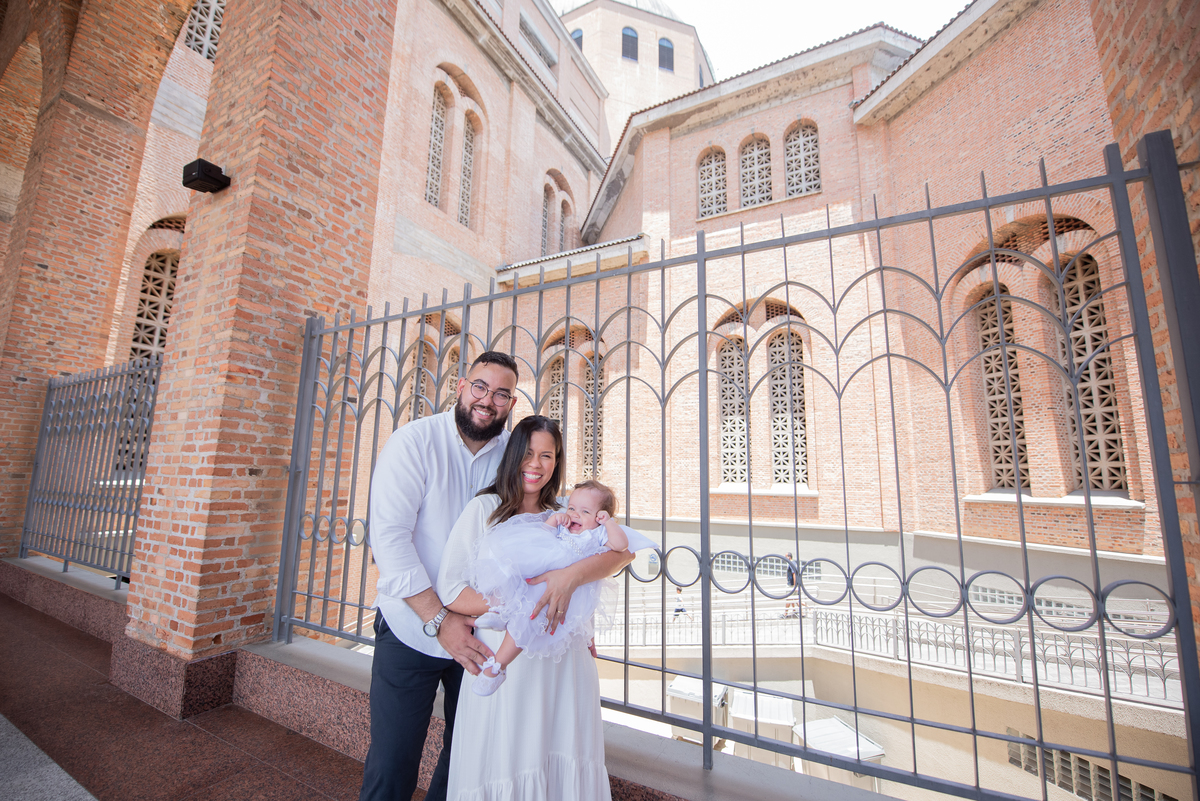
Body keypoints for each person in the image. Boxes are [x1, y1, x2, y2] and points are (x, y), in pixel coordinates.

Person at [437, 416, 644, 801]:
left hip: (562, 661)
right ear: (513, 454)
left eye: (546, 456)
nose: (536, 464)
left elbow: (622, 554)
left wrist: (570, 577)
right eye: (528, 453)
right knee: (506, 759)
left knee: (557, 755)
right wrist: (518, 604)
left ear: (557, 460)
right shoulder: (484, 508)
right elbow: (451, 591)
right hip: (506, 654)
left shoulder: (568, 510)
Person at [358, 351, 520, 801]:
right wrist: (438, 618)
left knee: (464, 760)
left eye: (502, 394)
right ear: (462, 386)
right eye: (481, 387)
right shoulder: (413, 442)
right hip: (412, 626)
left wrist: (572, 606)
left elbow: (543, 524)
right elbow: (389, 539)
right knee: (392, 762)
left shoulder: (514, 457)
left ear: (511, 403)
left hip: (479, 637)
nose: (488, 400)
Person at [451, 479, 629, 696]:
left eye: (585, 511)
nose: (574, 514)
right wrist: (555, 520)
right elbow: (539, 537)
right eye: (572, 508)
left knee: (530, 614)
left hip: (557, 592)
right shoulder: (564, 527)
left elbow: (622, 546)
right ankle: (500, 613)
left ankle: (498, 666)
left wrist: (609, 523)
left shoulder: (597, 535)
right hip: (539, 576)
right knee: (514, 576)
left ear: (600, 517)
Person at [783, 552, 799, 619]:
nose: (785, 558)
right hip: (791, 584)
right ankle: (794, 610)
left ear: (789, 557)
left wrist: (795, 586)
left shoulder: (792, 563)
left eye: (786, 557)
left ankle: (785, 614)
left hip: (791, 585)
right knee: (794, 599)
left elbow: (794, 574)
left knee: (789, 599)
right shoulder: (793, 563)